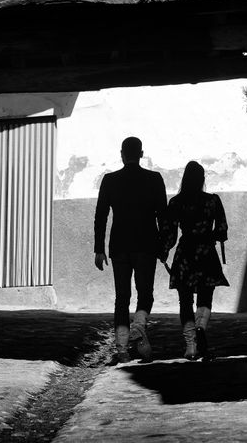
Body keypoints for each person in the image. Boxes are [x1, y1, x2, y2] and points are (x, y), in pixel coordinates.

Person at [94, 137, 167, 363]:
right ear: (142, 153)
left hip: (119, 246)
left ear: (122, 154)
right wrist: (164, 245)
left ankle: (122, 348)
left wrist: (99, 248)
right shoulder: (154, 179)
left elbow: (101, 216)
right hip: (146, 245)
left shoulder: (110, 180)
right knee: (145, 293)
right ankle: (139, 325)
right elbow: (163, 216)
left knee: (121, 297)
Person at [161, 161, 229, 361]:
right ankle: (201, 328)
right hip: (206, 252)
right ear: (202, 180)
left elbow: (170, 233)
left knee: (185, 300)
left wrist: (163, 251)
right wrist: (213, 235)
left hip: (185, 254)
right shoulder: (213, 201)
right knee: (205, 297)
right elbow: (222, 230)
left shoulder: (176, 202)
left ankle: (190, 346)